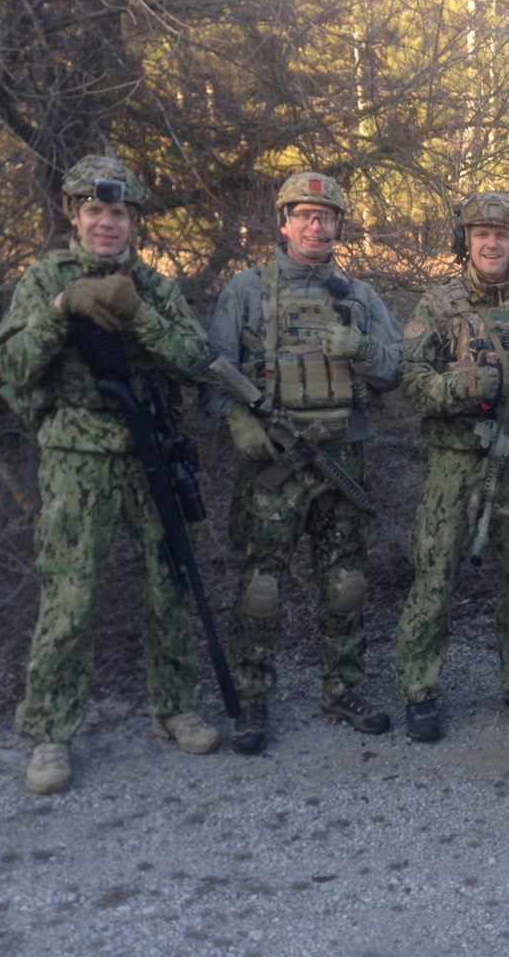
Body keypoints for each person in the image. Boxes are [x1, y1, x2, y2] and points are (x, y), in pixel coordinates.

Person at [0, 155, 220, 794]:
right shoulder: (45, 279)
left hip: (150, 454)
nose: (106, 223)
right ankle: (50, 734)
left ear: (133, 220)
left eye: (118, 212)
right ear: (75, 215)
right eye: (94, 211)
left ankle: (175, 707)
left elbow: (195, 360)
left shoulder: (153, 286)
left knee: (169, 583)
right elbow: (10, 365)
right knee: (69, 596)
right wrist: (60, 309)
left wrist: (139, 314)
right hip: (76, 458)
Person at [202, 172, 402, 755]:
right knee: (262, 586)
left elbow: (399, 368)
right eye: (305, 215)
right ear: (283, 222)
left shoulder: (358, 297)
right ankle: (252, 699)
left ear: (339, 225)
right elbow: (210, 370)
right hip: (276, 463)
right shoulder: (247, 290)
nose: (316, 226)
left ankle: (343, 689)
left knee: (347, 584)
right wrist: (238, 421)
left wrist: (360, 348)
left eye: (327, 216)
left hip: (341, 459)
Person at [392, 191, 509, 742]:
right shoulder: (439, 306)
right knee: (435, 576)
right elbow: (410, 381)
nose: (492, 244)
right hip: (454, 466)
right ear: (466, 241)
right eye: (481, 235)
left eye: (502, 236)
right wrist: (462, 387)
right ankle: (419, 690)